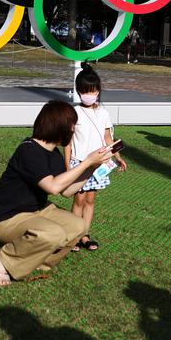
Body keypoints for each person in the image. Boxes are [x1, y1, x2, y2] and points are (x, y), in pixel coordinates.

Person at [0, 101, 112, 285]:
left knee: (78, 226)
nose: (74, 130)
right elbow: (52, 187)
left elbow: (67, 191)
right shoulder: (28, 150)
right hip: (6, 217)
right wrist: (86, 161)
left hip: (35, 210)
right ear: (59, 126)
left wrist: (92, 167)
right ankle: (1, 259)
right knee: (54, 233)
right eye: (72, 125)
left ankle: (37, 262)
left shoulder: (54, 153)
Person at [64, 64, 127, 252]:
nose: (89, 95)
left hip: (99, 163)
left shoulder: (104, 113)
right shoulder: (73, 113)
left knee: (90, 201)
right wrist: (68, 167)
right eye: (85, 91)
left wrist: (118, 157)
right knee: (79, 201)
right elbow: (67, 142)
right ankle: (73, 236)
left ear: (98, 91)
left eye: (92, 91)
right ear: (78, 91)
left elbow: (108, 138)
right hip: (80, 163)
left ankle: (84, 235)